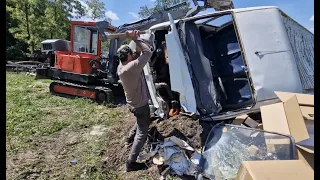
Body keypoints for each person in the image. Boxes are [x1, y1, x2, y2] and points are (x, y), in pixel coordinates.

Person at [116, 30, 153, 172]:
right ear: (129, 56)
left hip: (132, 104)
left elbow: (136, 56)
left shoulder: (122, 67)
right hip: (141, 106)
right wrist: (136, 38)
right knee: (142, 132)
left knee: (139, 123)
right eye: (132, 53)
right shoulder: (132, 68)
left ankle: (128, 138)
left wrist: (134, 44)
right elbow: (147, 53)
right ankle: (131, 162)